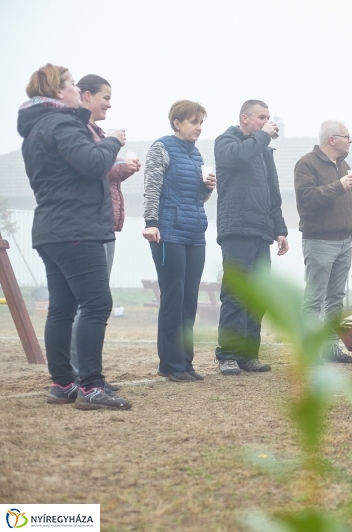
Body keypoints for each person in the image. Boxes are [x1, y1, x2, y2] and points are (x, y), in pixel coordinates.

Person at [17, 63, 130, 409]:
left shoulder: (37, 128)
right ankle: (91, 386)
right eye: (70, 84)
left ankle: (63, 383)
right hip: (76, 228)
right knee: (96, 303)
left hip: (52, 229)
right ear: (57, 91)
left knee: (62, 308)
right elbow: (92, 162)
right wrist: (112, 141)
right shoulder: (62, 122)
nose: (75, 88)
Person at [68, 74, 141, 386]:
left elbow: (102, 171)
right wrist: (113, 144)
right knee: (87, 303)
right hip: (86, 227)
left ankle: (82, 371)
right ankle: (76, 373)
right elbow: (91, 167)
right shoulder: (78, 131)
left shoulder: (94, 132)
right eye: (105, 97)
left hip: (106, 225)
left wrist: (123, 168)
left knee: (93, 302)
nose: (109, 104)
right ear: (86, 96)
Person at [143, 100, 216, 382]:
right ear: (177, 123)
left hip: (195, 233)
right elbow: (151, 187)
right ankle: (170, 365)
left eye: (201, 123)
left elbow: (197, 197)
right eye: (193, 122)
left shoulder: (196, 155)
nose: (198, 128)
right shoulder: (161, 148)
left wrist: (207, 189)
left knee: (189, 300)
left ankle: (186, 363)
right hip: (168, 232)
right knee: (173, 297)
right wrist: (151, 223)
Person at [214, 100, 289, 375]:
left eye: (268, 117)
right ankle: (228, 355)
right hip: (236, 230)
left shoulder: (263, 151)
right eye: (261, 117)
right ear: (244, 119)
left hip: (261, 233)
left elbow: (273, 195)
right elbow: (239, 155)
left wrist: (279, 229)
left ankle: (248, 354)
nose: (267, 122)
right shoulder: (227, 141)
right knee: (235, 295)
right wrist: (263, 135)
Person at [294, 120, 352, 363]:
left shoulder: (344, 165)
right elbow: (307, 199)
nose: (350, 141)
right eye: (346, 136)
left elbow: (347, 206)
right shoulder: (307, 164)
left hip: (343, 242)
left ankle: (330, 346)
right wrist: (338, 186)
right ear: (332, 139)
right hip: (319, 241)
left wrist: (351, 236)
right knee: (315, 298)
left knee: (336, 298)